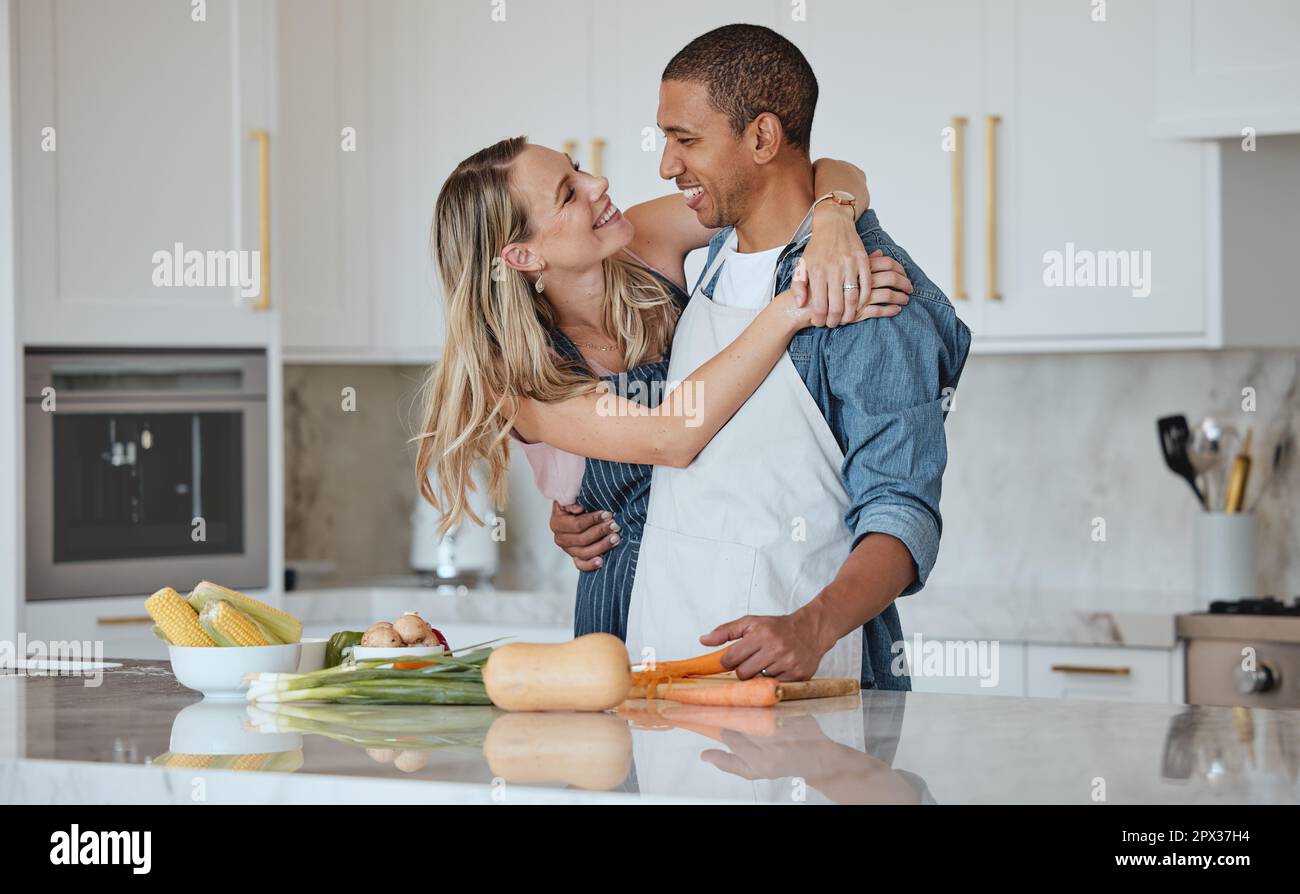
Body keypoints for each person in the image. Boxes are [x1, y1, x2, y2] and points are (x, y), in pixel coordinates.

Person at [557, 24, 972, 689]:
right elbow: (682, 450)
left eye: (685, 140)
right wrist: (580, 501)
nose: (667, 164)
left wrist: (812, 625)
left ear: (762, 138)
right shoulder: (709, 257)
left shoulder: (867, 295)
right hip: (667, 662)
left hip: (800, 680)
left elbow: (903, 513)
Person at [415, 136, 913, 641]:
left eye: (579, 169)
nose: (598, 183)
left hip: (747, 567)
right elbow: (669, 437)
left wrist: (831, 220)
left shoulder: (645, 239)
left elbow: (791, 182)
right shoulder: (521, 376)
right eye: (569, 194)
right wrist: (797, 305)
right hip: (627, 597)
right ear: (522, 256)